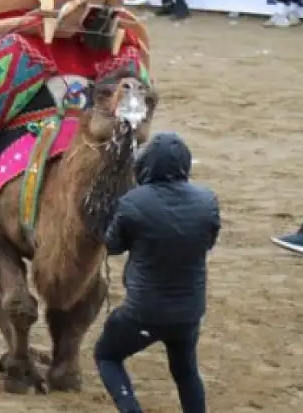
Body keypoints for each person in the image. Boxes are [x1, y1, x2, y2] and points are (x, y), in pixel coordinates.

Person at [94, 132, 219, 413]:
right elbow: (208, 242)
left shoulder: (133, 203)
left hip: (143, 312)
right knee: (186, 372)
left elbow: (112, 245)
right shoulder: (207, 200)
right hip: (189, 310)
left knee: (107, 356)